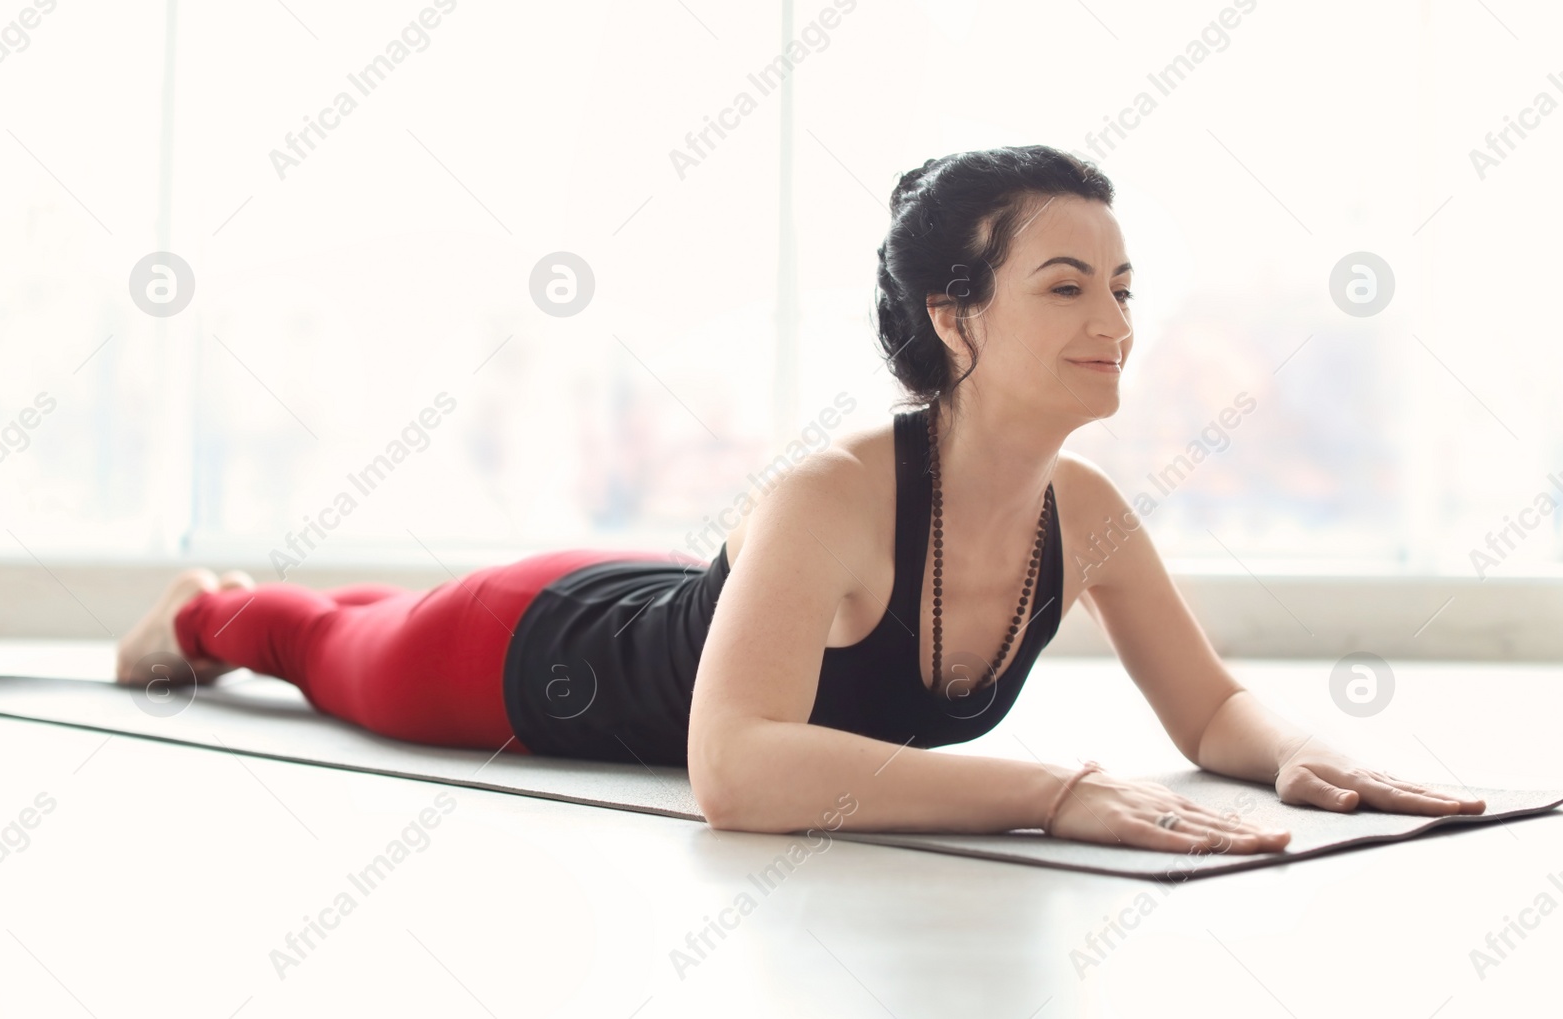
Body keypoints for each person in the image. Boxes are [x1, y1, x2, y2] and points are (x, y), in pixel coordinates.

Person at [115, 145, 1485, 855]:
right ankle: (214, 607)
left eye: (1122, 288)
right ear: (954, 317)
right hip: (527, 653)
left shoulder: (1093, 514)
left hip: (664, 601)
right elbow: (737, 773)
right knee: (319, 645)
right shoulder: (831, 495)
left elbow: (1208, 709)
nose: (1114, 322)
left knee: (358, 626)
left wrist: (1306, 754)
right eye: (1065, 286)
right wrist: (1051, 790)